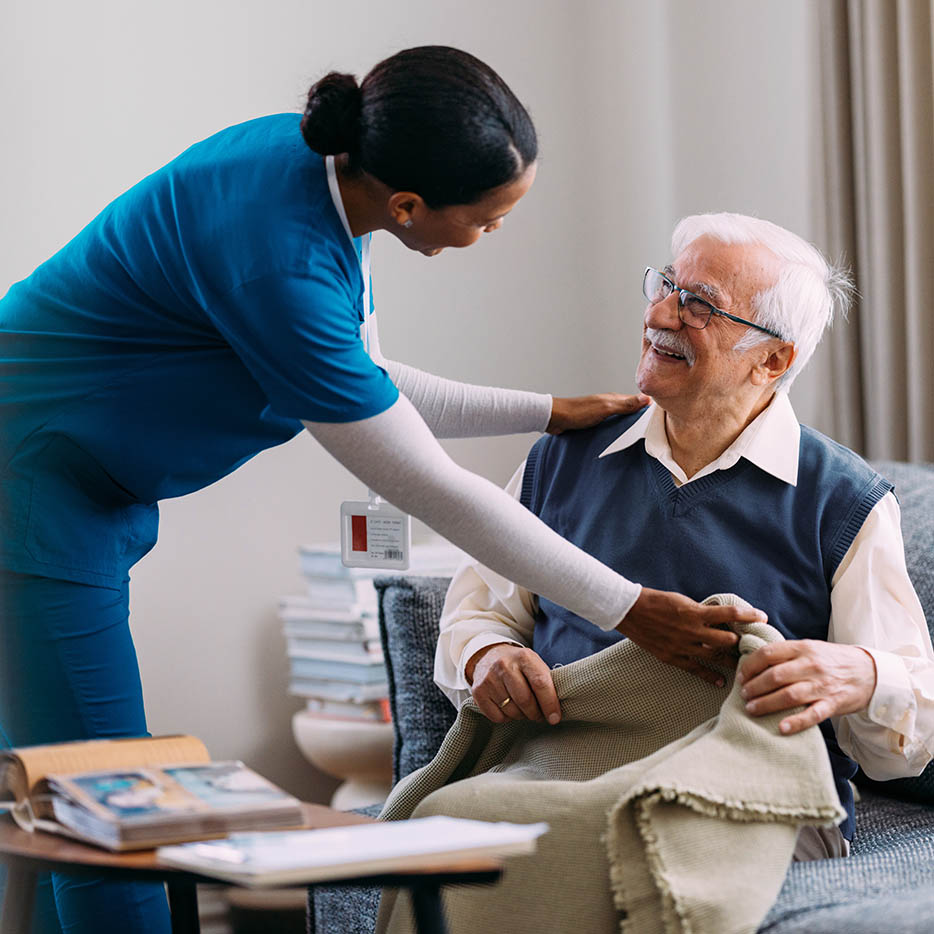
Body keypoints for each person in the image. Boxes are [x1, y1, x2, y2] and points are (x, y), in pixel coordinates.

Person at [0, 48, 761, 934]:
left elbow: (360, 376)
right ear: (409, 206)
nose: (496, 233)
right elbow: (431, 485)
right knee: (109, 813)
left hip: (74, 481)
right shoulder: (276, 258)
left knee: (58, 792)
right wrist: (632, 609)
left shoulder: (318, 177)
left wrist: (546, 411)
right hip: (31, 485)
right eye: (489, 219)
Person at [435, 212, 934, 860]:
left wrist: (863, 676)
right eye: (667, 286)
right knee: (441, 822)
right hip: (565, 775)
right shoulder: (561, 460)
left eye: (699, 305)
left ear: (774, 358)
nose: (662, 315)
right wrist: (486, 658)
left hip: (749, 799)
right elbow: (476, 614)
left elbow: (908, 732)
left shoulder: (842, 499)